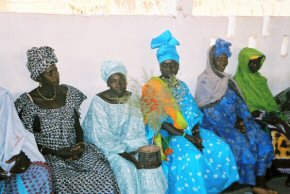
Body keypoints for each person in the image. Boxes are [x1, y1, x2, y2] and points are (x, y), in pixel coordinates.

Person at [141, 30, 239, 194]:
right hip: (168, 135)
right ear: (160, 65)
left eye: (173, 64)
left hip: (189, 131)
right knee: (190, 157)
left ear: (178, 65)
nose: (170, 68)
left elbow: (194, 114)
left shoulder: (182, 86)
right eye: (165, 64)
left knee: (220, 147)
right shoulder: (151, 88)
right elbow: (160, 123)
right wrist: (189, 138)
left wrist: (197, 134)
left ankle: (209, 188)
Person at [14, 46, 120, 193]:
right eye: (49, 73)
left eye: (56, 70)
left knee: (103, 171)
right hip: (50, 155)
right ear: (39, 78)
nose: (56, 75)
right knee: (65, 180)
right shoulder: (28, 102)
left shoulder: (69, 93)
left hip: (75, 149)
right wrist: (59, 153)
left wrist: (81, 144)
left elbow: (77, 127)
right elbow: (29, 141)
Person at [195, 39, 275, 194]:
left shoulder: (228, 80)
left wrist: (240, 119)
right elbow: (208, 111)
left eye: (225, 59)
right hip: (218, 125)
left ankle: (260, 184)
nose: (223, 62)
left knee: (261, 138)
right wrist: (231, 124)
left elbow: (240, 103)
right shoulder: (204, 81)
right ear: (211, 61)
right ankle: (249, 185)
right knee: (243, 144)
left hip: (238, 121)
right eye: (219, 59)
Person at [82, 60, 167, 194]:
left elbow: (137, 129)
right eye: (114, 81)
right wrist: (128, 155)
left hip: (132, 143)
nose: (119, 84)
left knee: (150, 168)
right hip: (109, 149)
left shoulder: (132, 98)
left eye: (121, 79)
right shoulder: (99, 102)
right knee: (127, 169)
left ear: (126, 80)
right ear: (108, 83)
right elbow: (102, 137)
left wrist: (138, 149)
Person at [234, 47, 290, 187]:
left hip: (267, 112)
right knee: (278, 132)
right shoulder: (237, 82)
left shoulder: (261, 80)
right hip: (251, 115)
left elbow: (269, 101)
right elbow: (242, 105)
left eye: (258, 62)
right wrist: (264, 117)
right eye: (252, 63)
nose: (256, 66)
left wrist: (272, 114)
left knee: (285, 126)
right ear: (243, 63)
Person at [0, 87, 52, 193]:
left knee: (41, 173)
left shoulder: (2, 96)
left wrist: (21, 155)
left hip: (6, 161)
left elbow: (12, 131)